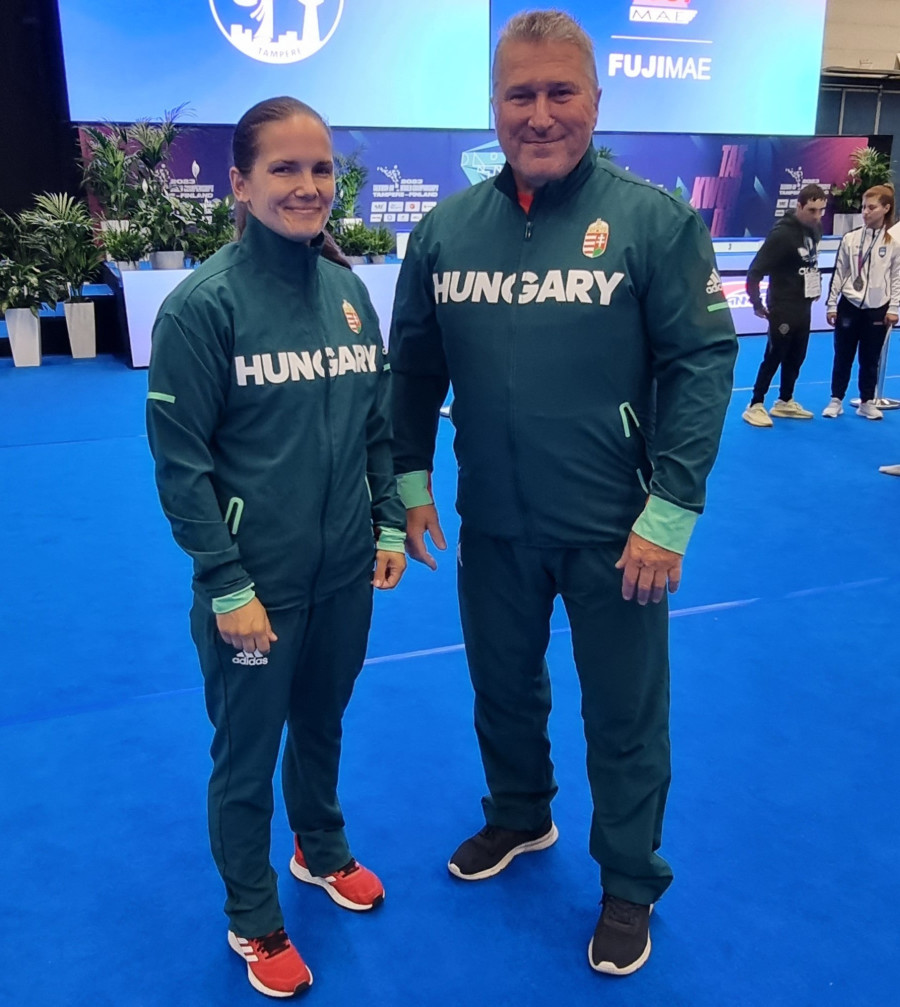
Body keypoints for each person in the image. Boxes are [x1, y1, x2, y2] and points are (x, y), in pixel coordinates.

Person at [389, 10, 737, 978]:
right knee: (501, 685)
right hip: (494, 522)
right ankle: (519, 812)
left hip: (617, 531)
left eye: (560, 92)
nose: (539, 114)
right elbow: (411, 369)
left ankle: (629, 880)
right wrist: (410, 483)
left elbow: (702, 363)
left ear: (595, 100)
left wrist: (671, 511)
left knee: (624, 715)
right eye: (520, 95)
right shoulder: (446, 231)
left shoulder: (652, 222)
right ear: (493, 105)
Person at [146, 96, 407, 999]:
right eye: (284, 168)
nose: (307, 185)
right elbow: (181, 466)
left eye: (321, 168)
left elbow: (375, 427)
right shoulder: (202, 308)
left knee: (324, 720)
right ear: (240, 183)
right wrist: (226, 583)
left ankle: (320, 848)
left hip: (343, 574)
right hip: (253, 586)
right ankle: (253, 914)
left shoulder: (347, 295)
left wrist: (384, 520)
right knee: (247, 755)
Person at [741, 184, 828, 427]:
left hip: (804, 304)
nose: (817, 216)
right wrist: (756, 303)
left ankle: (785, 400)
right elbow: (755, 271)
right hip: (782, 305)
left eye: (821, 210)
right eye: (812, 210)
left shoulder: (816, 229)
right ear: (799, 206)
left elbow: (808, 264)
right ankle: (755, 403)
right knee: (774, 355)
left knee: (797, 356)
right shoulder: (781, 235)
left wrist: (815, 286)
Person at [823, 185, 900, 420]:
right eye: (864, 207)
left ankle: (867, 401)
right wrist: (832, 304)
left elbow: (897, 277)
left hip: (878, 308)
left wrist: (894, 307)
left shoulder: (894, 243)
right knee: (843, 355)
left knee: (870, 358)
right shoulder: (851, 239)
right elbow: (839, 272)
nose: (865, 212)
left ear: (886, 208)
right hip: (849, 305)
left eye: (871, 207)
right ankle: (836, 400)